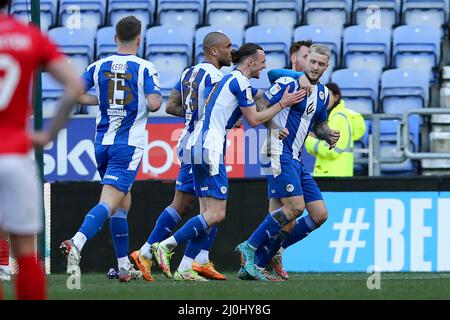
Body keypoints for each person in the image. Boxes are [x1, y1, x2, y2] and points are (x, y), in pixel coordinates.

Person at [150, 43, 305, 279]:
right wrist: (283, 104)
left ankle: (185, 267)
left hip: (196, 144)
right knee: (217, 214)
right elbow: (253, 120)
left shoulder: (226, 79)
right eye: (262, 62)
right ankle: (166, 246)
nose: (264, 67)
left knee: (205, 213)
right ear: (250, 62)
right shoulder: (240, 82)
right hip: (210, 146)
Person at [60, 16, 162, 283]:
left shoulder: (98, 65)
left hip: (101, 144)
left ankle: (123, 266)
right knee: (110, 201)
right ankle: (77, 241)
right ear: (139, 39)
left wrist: (103, 100)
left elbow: (75, 93)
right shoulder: (145, 67)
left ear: (115, 38)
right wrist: (151, 97)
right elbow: (153, 104)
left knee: (122, 202)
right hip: (127, 145)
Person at [130, 31, 233, 281]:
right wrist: (213, 120)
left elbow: (171, 106)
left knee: (186, 203)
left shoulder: (189, 72)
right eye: (228, 47)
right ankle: (156, 254)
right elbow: (214, 108)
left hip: (187, 140)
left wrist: (193, 117)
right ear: (214, 50)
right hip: (204, 142)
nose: (232, 51)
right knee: (209, 204)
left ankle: (195, 259)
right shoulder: (217, 76)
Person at [0, 0, 84, 299]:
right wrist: (47, 132)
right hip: (17, 153)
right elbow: (74, 85)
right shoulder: (28, 35)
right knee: (25, 251)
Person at [236, 44, 340, 280]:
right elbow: (261, 102)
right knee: (294, 208)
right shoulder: (289, 83)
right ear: (305, 61)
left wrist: (328, 135)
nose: (315, 67)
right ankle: (250, 248)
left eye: (320, 64)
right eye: (311, 61)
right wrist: (274, 126)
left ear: (326, 66)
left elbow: (318, 124)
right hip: (278, 152)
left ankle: (261, 261)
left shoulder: (322, 93)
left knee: (319, 214)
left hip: (296, 158)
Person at [305, 82, 366, 177]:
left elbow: (331, 150)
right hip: (333, 174)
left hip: (334, 177)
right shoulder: (333, 116)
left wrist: (309, 140)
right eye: (321, 95)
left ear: (336, 97)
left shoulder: (339, 118)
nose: (323, 99)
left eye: (327, 95)